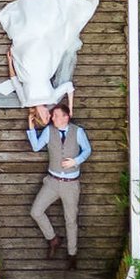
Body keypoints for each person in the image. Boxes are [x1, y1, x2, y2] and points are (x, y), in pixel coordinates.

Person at [0, 0, 99, 114]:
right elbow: (69, 87)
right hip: (45, 62)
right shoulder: (52, 99)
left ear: (37, 117)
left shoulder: (25, 102)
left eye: (45, 118)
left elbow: (15, 82)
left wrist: (9, 61)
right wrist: (70, 110)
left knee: (28, 32)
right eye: (49, 118)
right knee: (46, 30)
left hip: (27, 65)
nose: (48, 116)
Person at [27, 101, 91, 268]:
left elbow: (87, 150)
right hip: (52, 182)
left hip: (71, 185)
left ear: (66, 117)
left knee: (70, 220)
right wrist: (31, 126)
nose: (52, 118)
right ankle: (53, 239)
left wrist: (76, 161)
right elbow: (36, 147)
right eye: (53, 115)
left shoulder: (78, 132)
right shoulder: (49, 131)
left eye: (56, 115)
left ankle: (72, 254)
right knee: (36, 211)